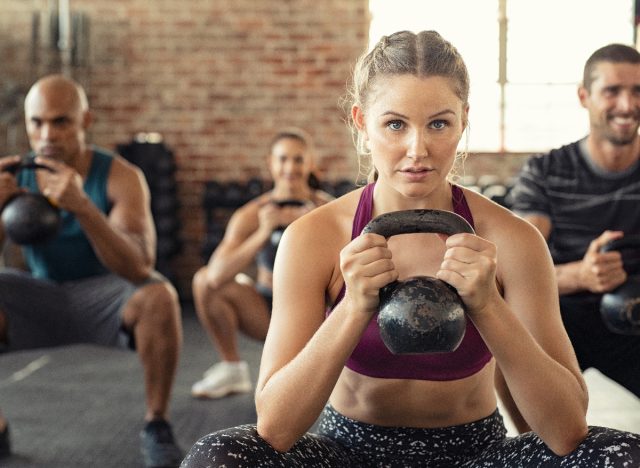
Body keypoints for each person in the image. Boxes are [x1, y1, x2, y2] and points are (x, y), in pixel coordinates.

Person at [181, 31, 640, 467]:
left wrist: (487, 305)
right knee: (218, 456)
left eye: (438, 123)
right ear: (362, 123)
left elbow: (566, 431)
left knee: (622, 456)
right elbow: (276, 428)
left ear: (464, 120)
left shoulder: (513, 240)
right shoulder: (313, 237)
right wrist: (353, 307)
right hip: (347, 454)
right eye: (395, 124)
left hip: (475, 454)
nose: (417, 149)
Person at [0, 74, 184, 468]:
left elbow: (139, 266)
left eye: (61, 121)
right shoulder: (14, 176)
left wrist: (84, 207)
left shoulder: (121, 176)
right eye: (37, 123)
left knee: (160, 295)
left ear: (85, 121)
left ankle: (157, 424)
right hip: (40, 295)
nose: (47, 134)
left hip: (106, 295)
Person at [501, 43, 640, 433]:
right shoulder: (546, 171)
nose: (627, 105)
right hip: (560, 320)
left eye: (638, 91)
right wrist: (582, 275)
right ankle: (537, 449)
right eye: (612, 91)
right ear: (585, 96)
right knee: (508, 337)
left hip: (633, 320)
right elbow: (512, 272)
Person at [190, 128, 333, 399]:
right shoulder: (252, 214)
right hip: (268, 310)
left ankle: (344, 370)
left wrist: (315, 229)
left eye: (298, 159)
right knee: (202, 280)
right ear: (270, 162)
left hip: (317, 312)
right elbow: (215, 276)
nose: (290, 168)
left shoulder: (327, 210)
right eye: (282, 159)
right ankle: (232, 368)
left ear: (311, 163)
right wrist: (262, 232)